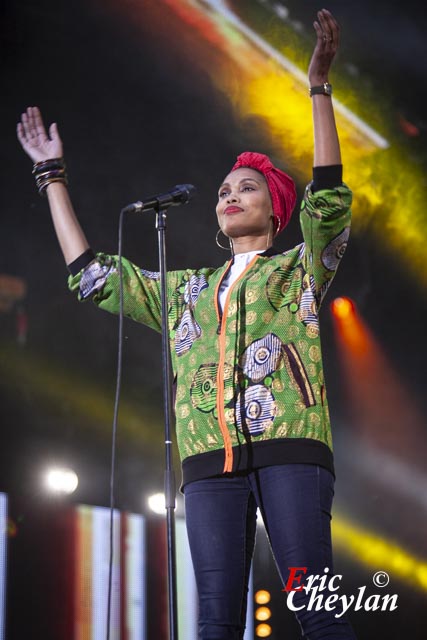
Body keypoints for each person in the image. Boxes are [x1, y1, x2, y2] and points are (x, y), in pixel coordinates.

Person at [17, 8, 357, 639]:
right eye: (225, 188)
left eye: (247, 187)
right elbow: (94, 276)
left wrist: (318, 85)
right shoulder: (188, 291)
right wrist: (51, 176)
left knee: (318, 613)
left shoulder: (298, 271)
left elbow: (330, 195)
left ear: (276, 212)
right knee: (212, 623)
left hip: (291, 454)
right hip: (206, 466)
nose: (229, 194)